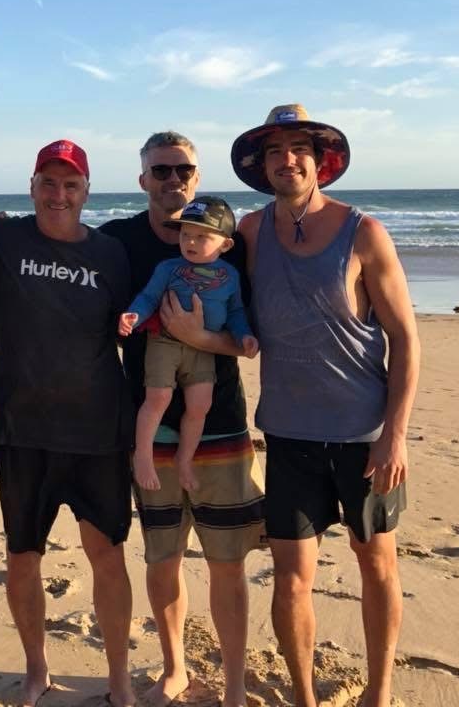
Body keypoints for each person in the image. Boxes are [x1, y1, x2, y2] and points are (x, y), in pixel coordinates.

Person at [229, 104, 420, 707]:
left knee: (377, 564)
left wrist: (395, 435)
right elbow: (197, 267)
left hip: (365, 437)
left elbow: (406, 339)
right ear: (262, 166)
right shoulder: (250, 232)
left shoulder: (363, 232)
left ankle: (378, 691)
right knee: (290, 579)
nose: (286, 160)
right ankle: (305, 696)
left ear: (320, 162)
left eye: (298, 149)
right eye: (274, 151)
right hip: (288, 436)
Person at [100, 134, 265, 707]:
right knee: (162, 558)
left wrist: (202, 338)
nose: (173, 179)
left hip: (221, 424)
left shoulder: (230, 246)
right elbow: (55, 239)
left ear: (197, 176)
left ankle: (236, 684)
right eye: (161, 170)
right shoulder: (117, 240)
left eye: (184, 170)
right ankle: (174, 668)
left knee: (227, 563)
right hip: (151, 431)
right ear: (143, 179)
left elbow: (251, 332)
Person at [0, 139, 136, 707]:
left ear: (86, 192)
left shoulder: (111, 254)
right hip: (22, 430)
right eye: (48, 183)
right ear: (31, 187)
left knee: (108, 555)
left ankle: (119, 677)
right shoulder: (2, 238)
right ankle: (36, 669)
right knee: (23, 556)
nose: (58, 194)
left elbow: (133, 322)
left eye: (70, 184)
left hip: (98, 430)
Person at [119, 195, 258, 496]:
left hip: (204, 350)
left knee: (200, 405)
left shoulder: (230, 276)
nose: (190, 242)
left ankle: (184, 459)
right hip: (164, 343)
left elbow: (236, 312)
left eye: (201, 237)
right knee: (158, 398)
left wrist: (244, 335)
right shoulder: (169, 268)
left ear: (226, 245)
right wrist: (133, 314)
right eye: (185, 235)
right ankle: (143, 455)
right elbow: (148, 297)